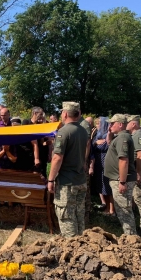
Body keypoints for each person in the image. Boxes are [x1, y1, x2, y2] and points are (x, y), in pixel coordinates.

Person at [47, 102, 88, 238]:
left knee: (66, 216)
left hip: (67, 182)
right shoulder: (83, 130)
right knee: (78, 213)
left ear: (64, 114)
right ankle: (81, 244)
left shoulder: (64, 132)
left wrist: (51, 179)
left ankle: (72, 247)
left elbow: (57, 158)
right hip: (80, 179)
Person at [104, 114, 137, 235]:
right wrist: (110, 133)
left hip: (121, 179)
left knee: (124, 210)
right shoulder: (120, 137)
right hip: (119, 179)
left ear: (120, 124)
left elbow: (123, 160)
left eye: (112, 123)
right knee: (122, 209)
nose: (110, 125)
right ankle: (130, 236)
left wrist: (122, 181)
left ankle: (131, 238)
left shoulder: (123, 138)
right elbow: (109, 143)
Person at [92, 117, 114, 215]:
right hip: (98, 163)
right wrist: (95, 143)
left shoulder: (108, 135)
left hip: (105, 161)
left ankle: (111, 210)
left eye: (99, 124)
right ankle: (106, 207)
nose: (97, 126)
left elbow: (107, 145)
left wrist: (97, 144)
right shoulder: (97, 135)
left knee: (108, 187)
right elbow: (92, 145)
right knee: (102, 185)